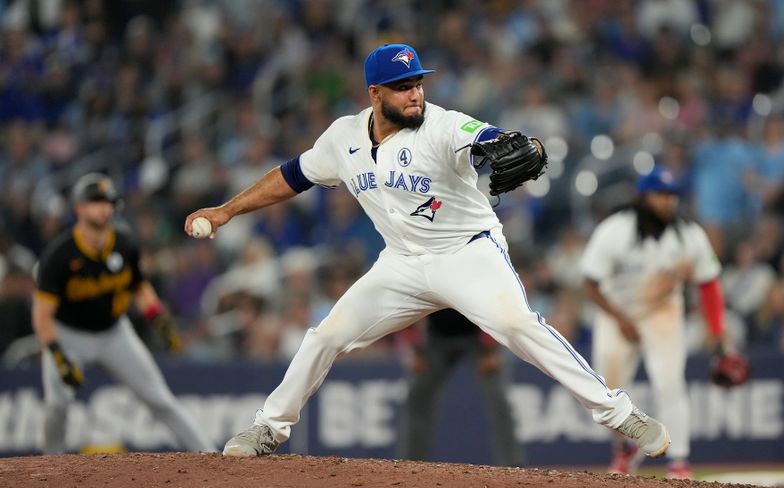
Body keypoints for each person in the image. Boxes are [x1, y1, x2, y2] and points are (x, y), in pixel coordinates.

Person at [184, 43, 670, 460]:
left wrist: (529, 146)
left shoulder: (441, 126)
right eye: (401, 86)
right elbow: (292, 176)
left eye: (417, 82)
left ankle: (620, 413)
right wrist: (227, 211)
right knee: (326, 334)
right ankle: (269, 427)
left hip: (467, 254)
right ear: (375, 94)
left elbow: (489, 138)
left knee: (518, 325)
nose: (415, 93)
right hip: (401, 263)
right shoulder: (342, 138)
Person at [32, 173, 216, 455]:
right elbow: (42, 315)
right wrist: (57, 353)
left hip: (114, 333)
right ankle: (47, 467)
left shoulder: (124, 244)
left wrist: (160, 322)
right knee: (58, 405)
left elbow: (139, 288)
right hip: (69, 336)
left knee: (160, 399)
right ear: (78, 208)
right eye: (95, 201)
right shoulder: (59, 255)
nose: (103, 207)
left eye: (108, 201)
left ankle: (209, 454)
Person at [580, 166, 727, 480]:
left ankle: (679, 462)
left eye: (672, 195)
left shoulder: (689, 235)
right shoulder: (615, 230)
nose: (668, 202)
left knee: (670, 385)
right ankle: (625, 450)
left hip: (663, 314)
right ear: (643, 197)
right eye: (661, 195)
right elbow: (590, 282)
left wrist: (718, 334)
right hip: (616, 312)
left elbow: (709, 283)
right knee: (606, 391)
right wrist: (620, 319)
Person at [398, 309, 526, 466]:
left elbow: (490, 303)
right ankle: (410, 465)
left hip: (478, 335)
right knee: (417, 396)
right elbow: (407, 308)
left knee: (498, 396)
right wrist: (415, 350)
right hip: (436, 338)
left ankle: (512, 464)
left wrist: (491, 349)